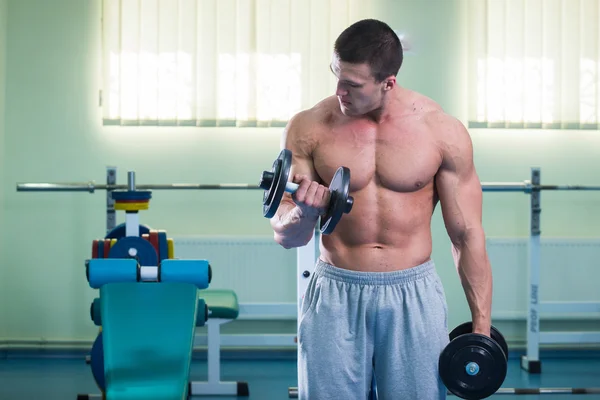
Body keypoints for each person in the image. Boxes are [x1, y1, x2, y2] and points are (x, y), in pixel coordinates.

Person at [269, 18, 493, 400]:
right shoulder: (309, 127)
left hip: (413, 293)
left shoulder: (440, 131)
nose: (339, 91)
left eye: (352, 85)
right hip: (336, 290)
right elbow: (286, 235)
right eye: (336, 77)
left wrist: (482, 332)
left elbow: (466, 235)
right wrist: (303, 212)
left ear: (388, 82)